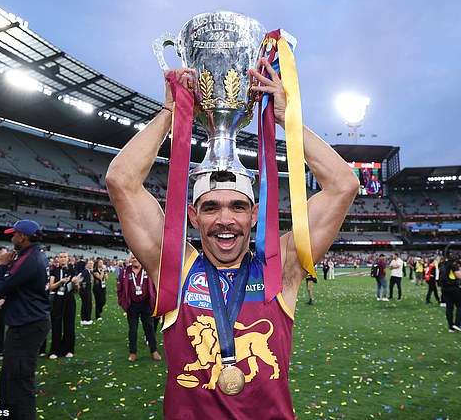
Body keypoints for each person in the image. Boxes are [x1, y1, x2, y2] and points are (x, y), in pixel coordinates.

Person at [105, 62, 359, 418]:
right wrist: (169, 113)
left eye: (238, 207)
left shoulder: (280, 266)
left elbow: (343, 185)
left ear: (254, 215)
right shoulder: (175, 266)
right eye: (211, 208)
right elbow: (121, 182)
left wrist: (288, 119)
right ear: (193, 216)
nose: (225, 220)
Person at [0, 219, 51, 418]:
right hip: (29, 321)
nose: (11, 237)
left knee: (20, 381)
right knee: (9, 377)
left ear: (22, 236)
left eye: (14, 234)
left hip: (27, 325)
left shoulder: (29, 258)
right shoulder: (35, 255)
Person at [117, 253, 161, 362]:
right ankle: (133, 353)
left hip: (146, 304)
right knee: (132, 329)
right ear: (130, 260)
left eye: (137, 257)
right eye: (132, 257)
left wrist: (154, 299)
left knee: (149, 328)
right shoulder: (125, 272)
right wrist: (123, 302)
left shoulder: (148, 270)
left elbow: (156, 284)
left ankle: (154, 351)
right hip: (132, 305)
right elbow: (120, 288)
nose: (135, 259)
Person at [48, 251, 78, 358]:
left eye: (65, 257)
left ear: (68, 258)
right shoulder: (54, 271)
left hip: (69, 299)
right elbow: (51, 287)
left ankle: (69, 349)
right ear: (58, 259)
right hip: (57, 299)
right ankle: (55, 350)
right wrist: (60, 282)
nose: (63, 259)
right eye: (61, 257)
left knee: (69, 324)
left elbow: (77, 290)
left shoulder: (72, 270)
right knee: (56, 325)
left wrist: (75, 283)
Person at [439, 253, 461, 333]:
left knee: (449, 307)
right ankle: (457, 324)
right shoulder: (453, 265)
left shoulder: (442, 264)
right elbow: (459, 276)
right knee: (460, 305)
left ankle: (450, 326)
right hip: (453, 287)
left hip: (444, 288)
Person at [79, 259, 94, 325]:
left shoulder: (89, 271)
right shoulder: (85, 271)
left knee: (88, 303)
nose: (90, 265)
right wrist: (81, 284)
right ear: (87, 264)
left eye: (91, 264)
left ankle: (86, 318)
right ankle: (85, 318)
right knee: (86, 304)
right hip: (85, 289)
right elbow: (81, 279)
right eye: (89, 263)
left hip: (88, 289)